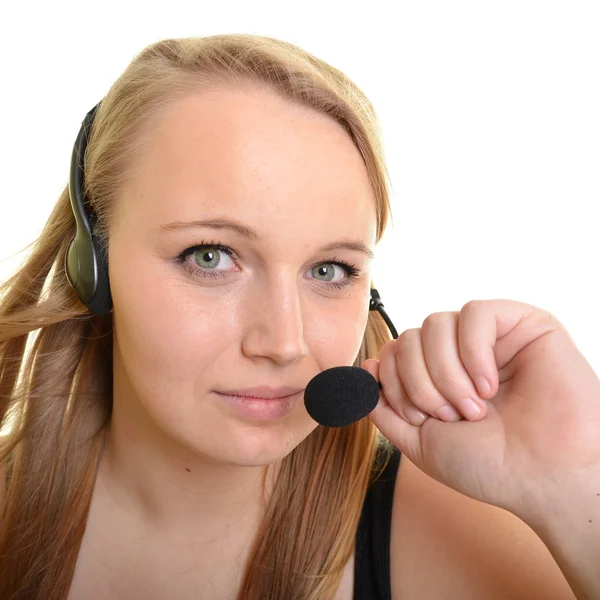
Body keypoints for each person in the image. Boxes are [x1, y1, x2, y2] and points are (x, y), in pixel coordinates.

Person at [0, 34, 598, 600]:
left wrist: (572, 486)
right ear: (93, 264)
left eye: (330, 270)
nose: (284, 343)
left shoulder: (447, 530)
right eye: (211, 257)